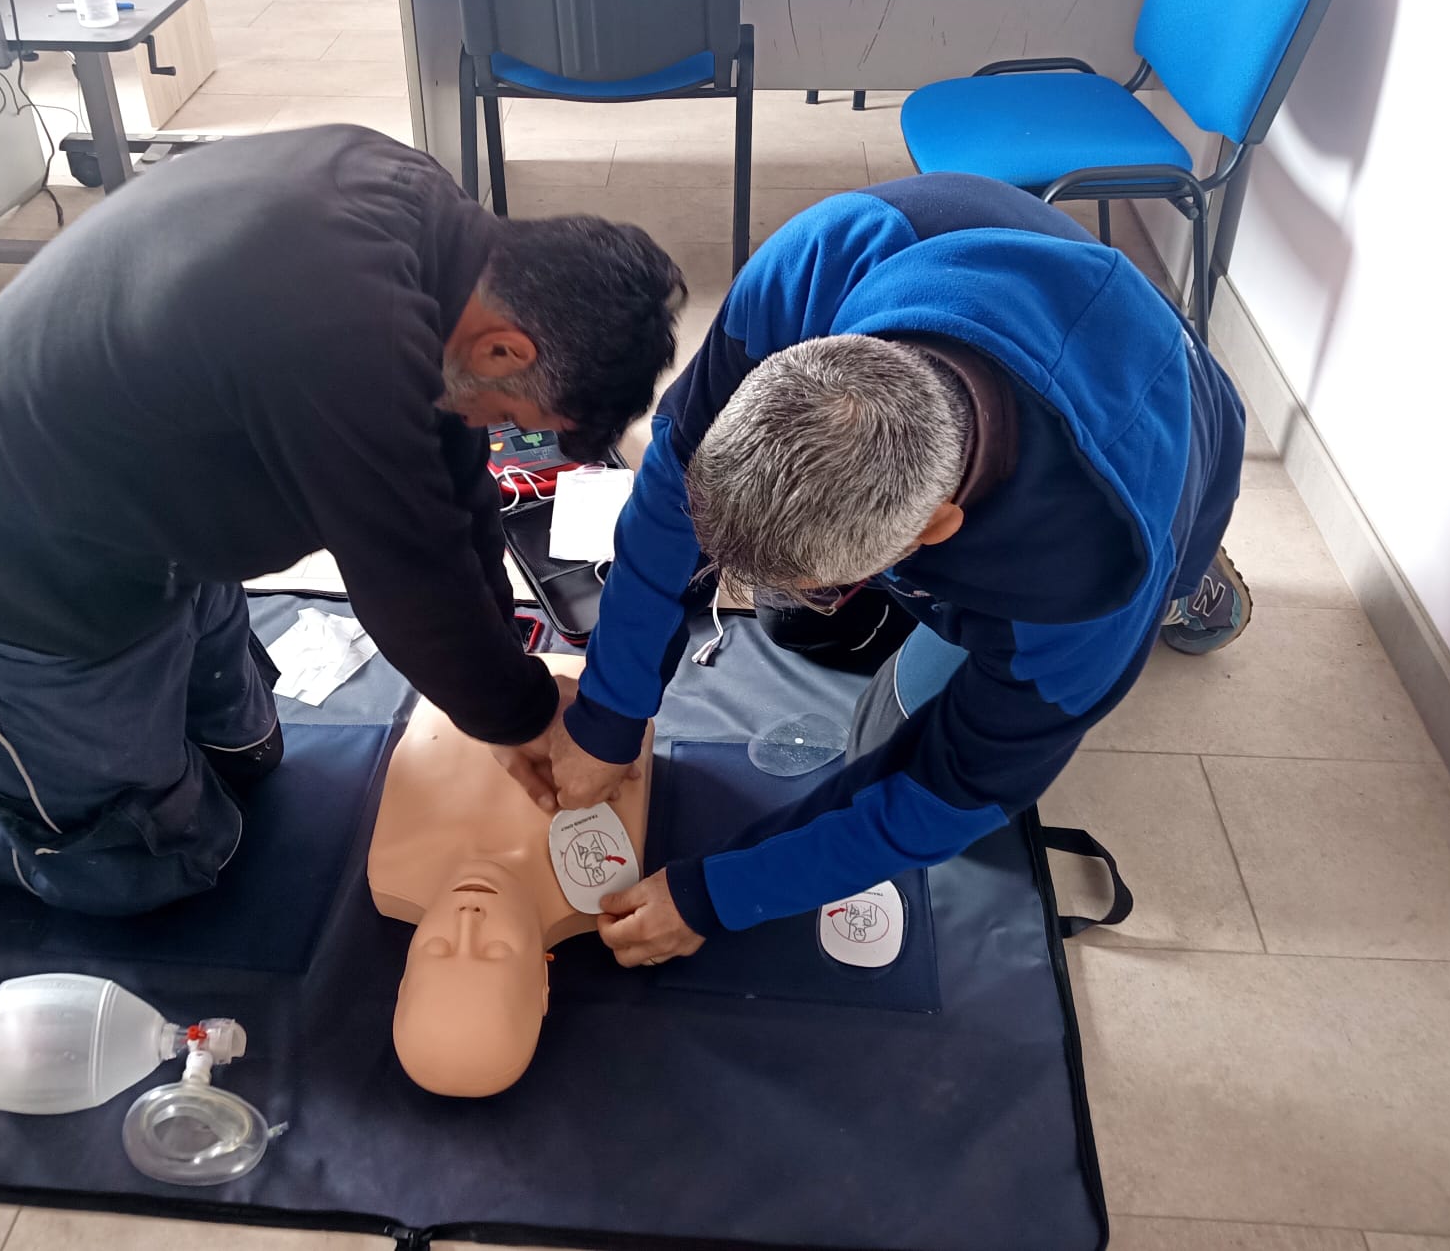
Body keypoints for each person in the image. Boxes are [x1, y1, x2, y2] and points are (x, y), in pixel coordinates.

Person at [0, 125, 684, 916]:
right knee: (147, 858)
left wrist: (507, 671)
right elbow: (406, 574)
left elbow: (454, 488)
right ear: (506, 347)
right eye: (511, 413)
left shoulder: (422, 221)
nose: (495, 433)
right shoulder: (345, 337)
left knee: (245, 763)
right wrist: (519, 717)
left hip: (127, 534)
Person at [511, 173, 1248, 966]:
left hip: (1158, 441)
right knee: (796, 624)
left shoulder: (1083, 594)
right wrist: (611, 711)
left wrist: (719, 895)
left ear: (934, 529)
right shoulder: (821, 265)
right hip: (1002, 344)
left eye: (833, 577)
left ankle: (1193, 593)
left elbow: (953, 794)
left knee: (883, 747)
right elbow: (671, 493)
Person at [368, 655, 652, 1097]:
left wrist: (503, 702)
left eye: (438, 949)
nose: (468, 919)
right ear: (542, 986)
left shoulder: (391, 865)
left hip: (458, 664)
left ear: (404, 978)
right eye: (496, 951)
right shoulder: (607, 876)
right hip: (594, 678)